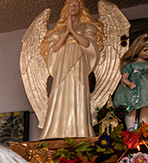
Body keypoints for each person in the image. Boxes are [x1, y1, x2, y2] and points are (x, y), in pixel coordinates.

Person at [39, 0, 104, 139]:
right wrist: (66, 32)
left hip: (79, 61)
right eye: (70, 5)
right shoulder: (57, 32)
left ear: (81, 8)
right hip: (62, 63)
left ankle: (80, 131)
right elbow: (54, 50)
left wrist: (73, 32)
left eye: (76, 5)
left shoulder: (87, 27)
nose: (73, 7)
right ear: (66, 9)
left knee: (78, 91)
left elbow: (88, 45)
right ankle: (55, 131)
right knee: (60, 91)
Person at [112, 34, 148, 130]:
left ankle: (144, 126)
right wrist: (129, 83)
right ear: (137, 50)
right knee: (132, 107)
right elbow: (124, 78)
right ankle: (130, 127)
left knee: (146, 107)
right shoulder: (131, 65)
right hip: (134, 89)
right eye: (145, 50)